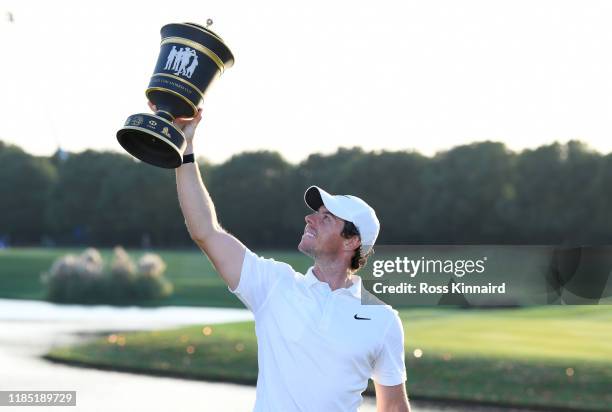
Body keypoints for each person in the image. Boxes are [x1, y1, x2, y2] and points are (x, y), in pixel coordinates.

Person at [160, 102, 410, 412]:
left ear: (352, 242)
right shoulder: (274, 285)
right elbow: (206, 231)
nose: (310, 219)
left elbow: (394, 408)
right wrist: (185, 151)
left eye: (326, 218)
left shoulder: (382, 320)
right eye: (314, 213)